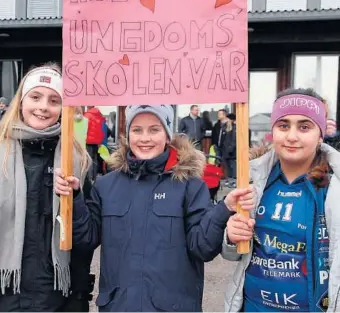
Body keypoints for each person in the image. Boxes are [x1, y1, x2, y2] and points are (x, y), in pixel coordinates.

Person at [55, 105, 256, 311]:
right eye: (137, 130)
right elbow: (86, 238)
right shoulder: (106, 186)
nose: (145, 138)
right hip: (119, 306)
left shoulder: (190, 186)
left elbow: (202, 247)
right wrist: (75, 197)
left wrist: (224, 209)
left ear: (167, 135)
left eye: (154, 130)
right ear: (127, 134)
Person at [0, 64, 96, 312]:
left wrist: (79, 294)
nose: (43, 106)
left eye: (54, 100)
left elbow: (83, 241)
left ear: (63, 109)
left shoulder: (77, 162)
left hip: (52, 297)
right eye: (35, 97)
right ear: (21, 102)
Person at [222, 88, 340, 312]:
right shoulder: (254, 181)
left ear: (320, 134)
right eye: (283, 126)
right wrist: (231, 236)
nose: (292, 136)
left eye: (304, 126)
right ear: (272, 131)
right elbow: (234, 254)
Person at [84, 106, 106, 182]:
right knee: (94, 159)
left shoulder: (87, 115)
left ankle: (89, 178)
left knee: (88, 160)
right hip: (97, 142)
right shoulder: (99, 115)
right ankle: (94, 177)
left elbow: (84, 128)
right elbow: (102, 128)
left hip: (88, 141)